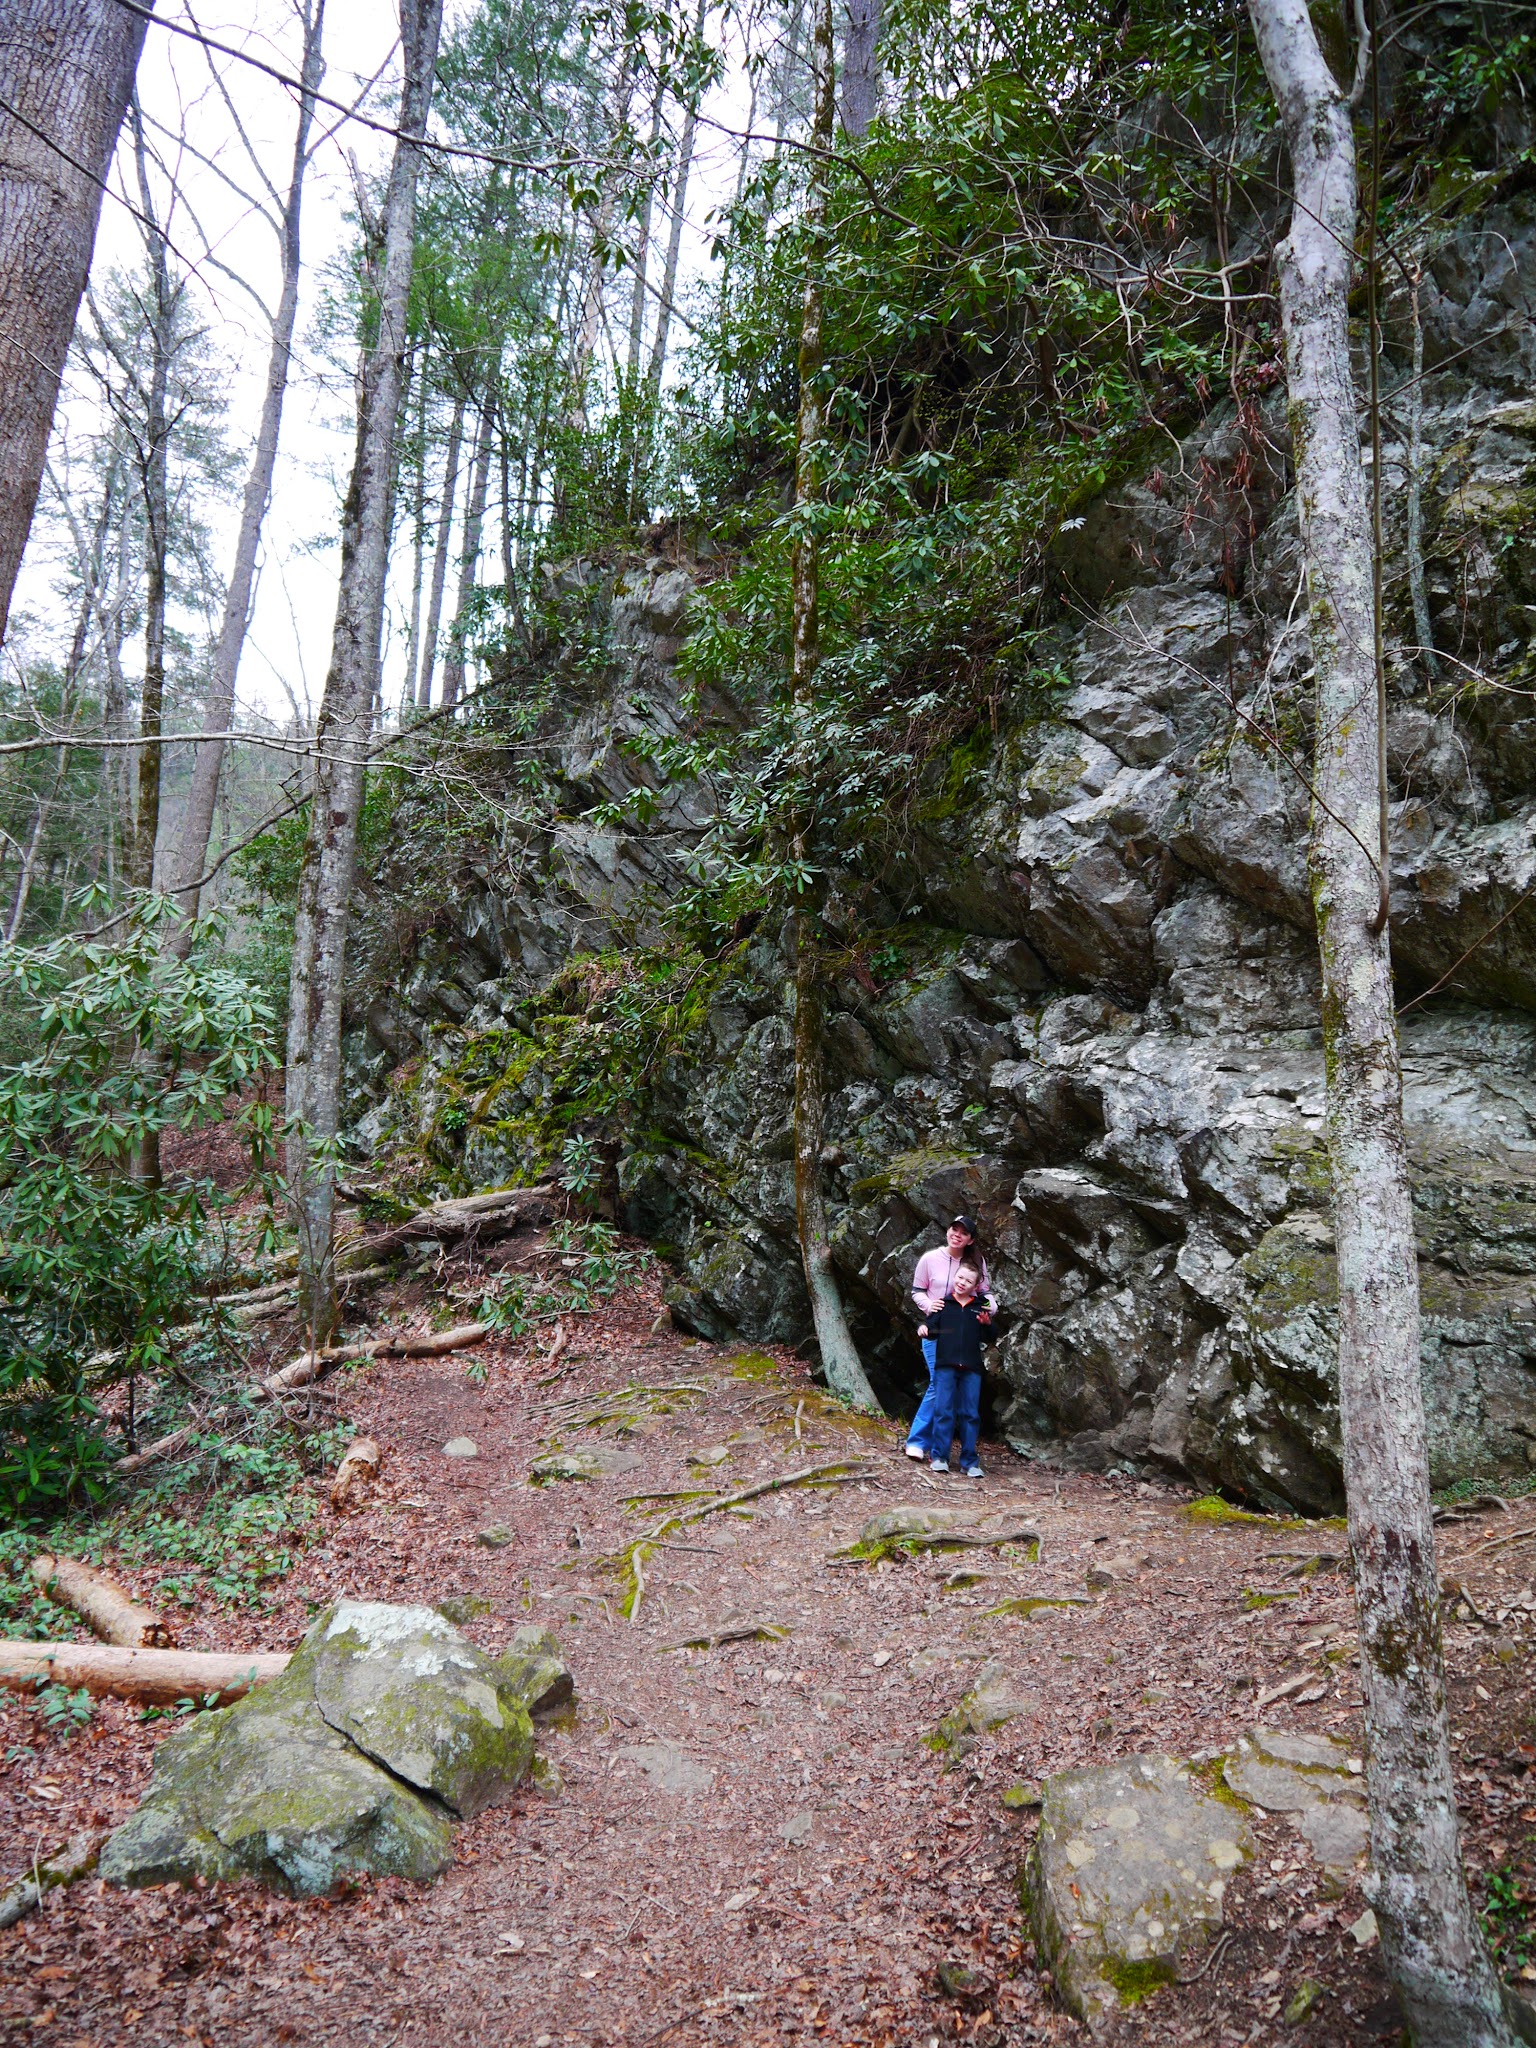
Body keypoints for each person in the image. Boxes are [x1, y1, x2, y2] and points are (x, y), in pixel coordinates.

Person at [905, 1216, 994, 1461]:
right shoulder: (930, 1259)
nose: (957, 1235)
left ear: (970, 1240)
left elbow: (985, 1293)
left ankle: (939, 1447)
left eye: (963, 1233)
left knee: (953, 1393)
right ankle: (917, 1442)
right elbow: (917, 1291)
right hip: (936, 1331)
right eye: (954, 1229)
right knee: (937, 1384)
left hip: (962, 1335)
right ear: (947, 1231)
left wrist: (989, 1308)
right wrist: (929, 1306)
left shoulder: (976, 1262)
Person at [918, 1258, 994, 1478]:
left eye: (968, 1281)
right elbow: (931, 1328)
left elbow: (990, 1337)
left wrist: (987, 1325)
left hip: (971, 1368)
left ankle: (969, 1462)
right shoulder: (943, 1304)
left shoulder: (980, 1307)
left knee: (970, 1414)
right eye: (960, 1277)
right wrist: (923, 1328)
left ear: (975, 1286)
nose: (962, 1283)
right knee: (943, 1410)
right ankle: (940, 1457)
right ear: (954, 1277)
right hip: (945, 1366)